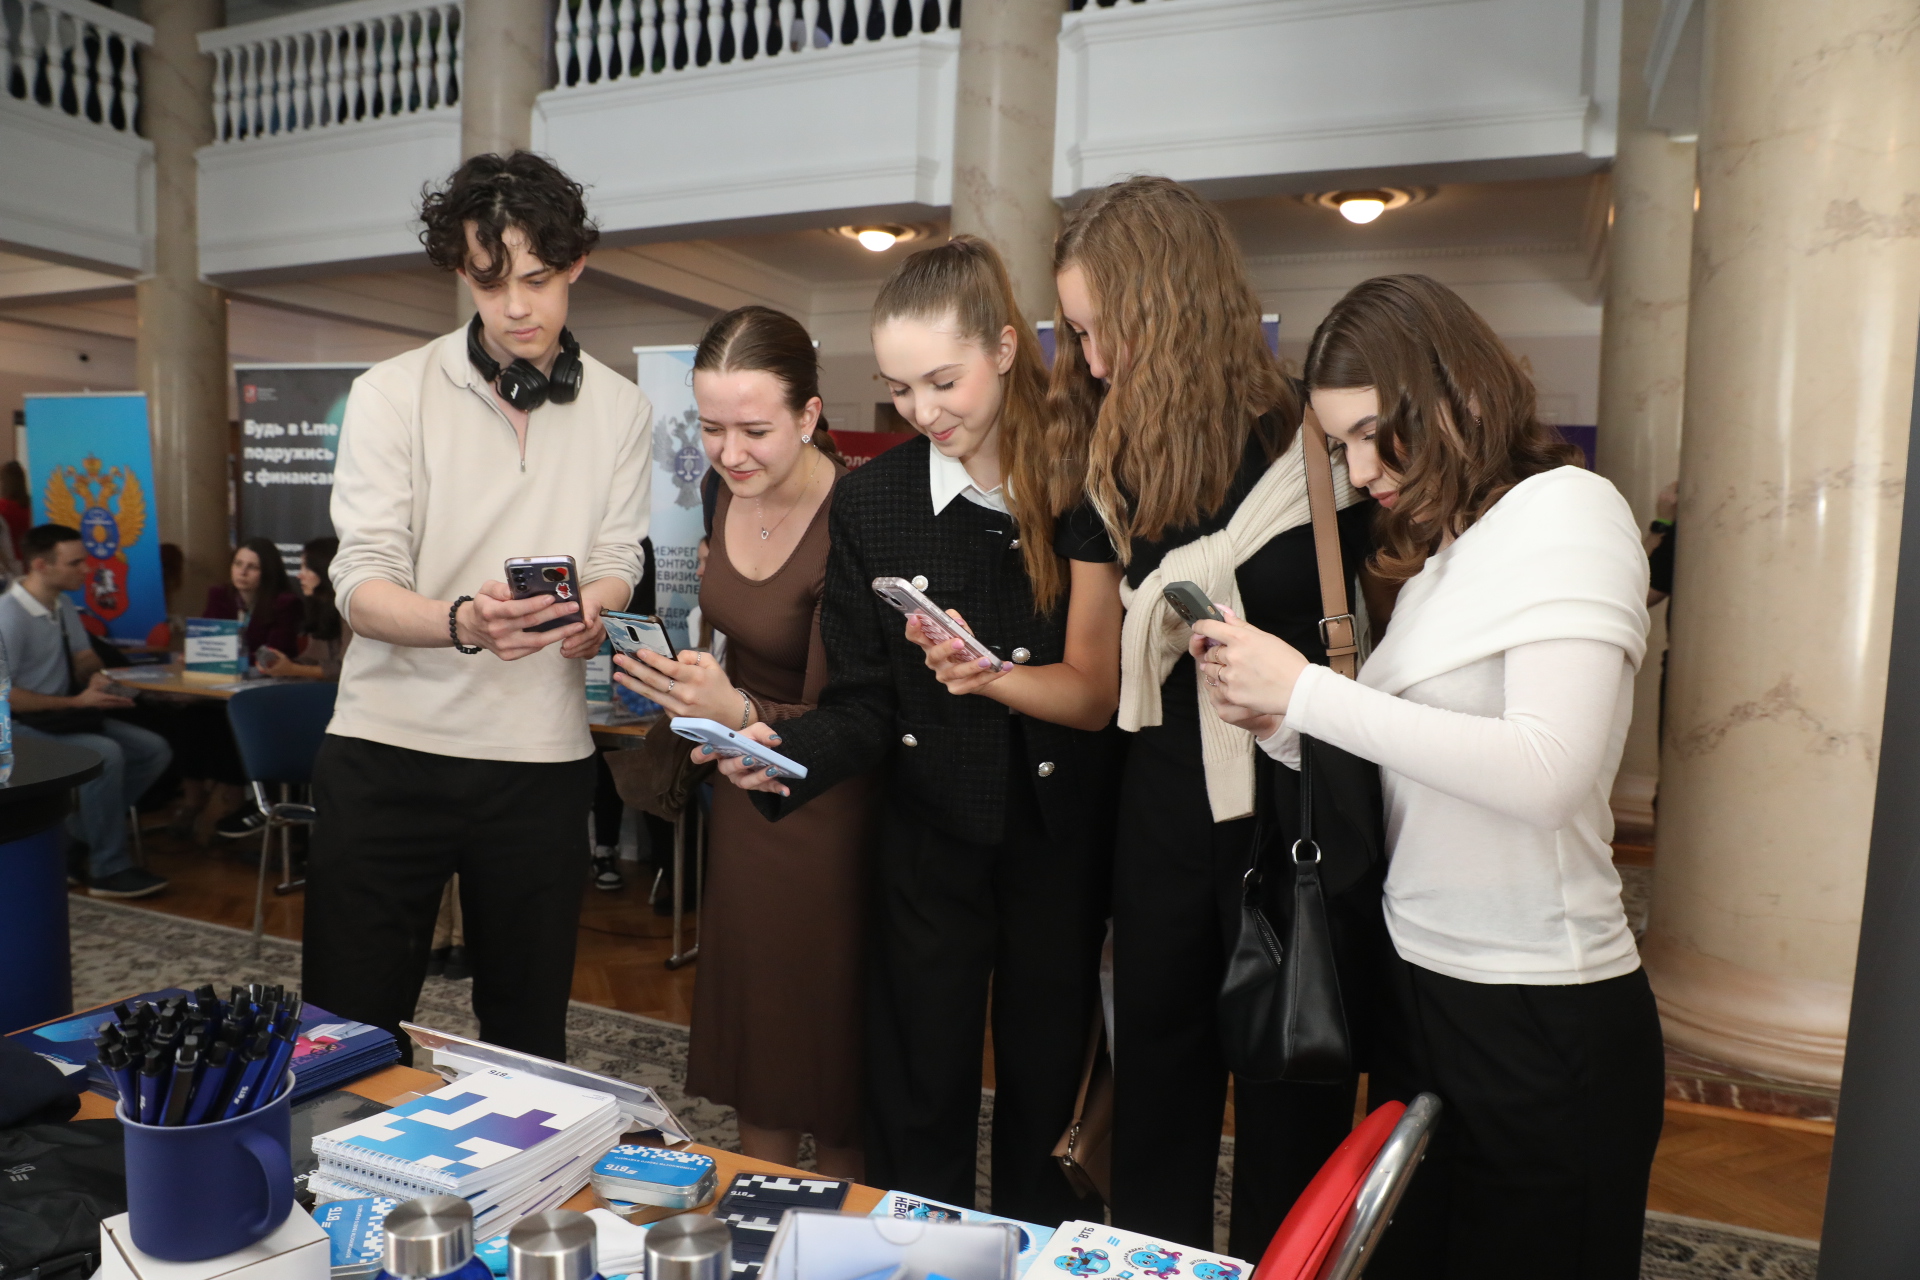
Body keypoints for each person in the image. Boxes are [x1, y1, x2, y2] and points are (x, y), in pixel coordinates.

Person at [1194, 274, 1659, 1279]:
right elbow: (1405, 771)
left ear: (1456, 389)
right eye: (1341, 447)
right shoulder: (1443, 559)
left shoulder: (1570, 511)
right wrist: (1280, 724)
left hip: (1538, 1006)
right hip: (1420, 993)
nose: (1361, 471)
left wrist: (1308, 691)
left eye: (1373, 433)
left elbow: (1546, 771)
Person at [710, 237, 1123, 1226]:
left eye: (944, 381)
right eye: (900, 389)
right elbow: (864, 702)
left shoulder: (1083, 479)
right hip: (928, 837)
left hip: (1059, 838)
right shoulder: (874, 497)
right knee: (915, 1093)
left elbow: (1096, 693)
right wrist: (780, 755)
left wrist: (994, 677)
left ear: (1007, 350)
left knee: (1044, 1093)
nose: (924, 411)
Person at [1048, 174, 1387, 1257]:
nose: (1091, 360)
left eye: (1100, 330)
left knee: (1293, 1081)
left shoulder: (1310, 440)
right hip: (1160, 800)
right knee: (1157, 1080)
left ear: (1164, 306)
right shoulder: (1116, 456)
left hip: (1291, 801)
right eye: (1077, 334)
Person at [304, 151, 651, 1061]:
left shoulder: (622, 409)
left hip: (541, 763)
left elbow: (620, 555)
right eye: (490, 283)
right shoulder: (389, 394)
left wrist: (596, 606)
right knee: (345, 1033)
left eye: (537, 279)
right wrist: (463, 622)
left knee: (527, 1041)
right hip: (387, 754)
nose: (515, 308)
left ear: (576, 264)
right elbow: (361, 582)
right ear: (462, 272)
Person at [613, 304, 871, 1178]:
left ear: (809, 414)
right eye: (711, 427)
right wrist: (687, 685)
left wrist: (732, 705)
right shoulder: (722, 492)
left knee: (832, 1051)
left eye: (755, 430)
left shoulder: (858, 513)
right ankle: (762, 1206)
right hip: (742, 791)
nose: (729, 453)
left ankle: (840, 1225)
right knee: (762, 1038)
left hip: (834, 810)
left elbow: (853, 714)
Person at [0, 524, 172, 899]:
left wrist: (96, 676)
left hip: (60, 718)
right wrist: (78, 702)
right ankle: (108, 867)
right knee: (105, 754)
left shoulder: (62, 604)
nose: (87, 569)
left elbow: (83, 658)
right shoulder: (8, 616)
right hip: (16, 727)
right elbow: (6, 698)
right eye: (75, 563)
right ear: (41, 565)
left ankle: (75, 837)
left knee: (153, 749)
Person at [255, 535, 352, 680]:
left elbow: (348, 669)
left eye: (307, 567)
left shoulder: (350, 611)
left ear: (325, 570)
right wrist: (281, 665)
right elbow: (312, 659)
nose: (299, 575)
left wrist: (293, 669)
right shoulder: (320, 607)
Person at [204, 537, 303, 658]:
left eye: (252, 567)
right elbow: (206, 640)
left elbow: (275, 654)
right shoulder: (219, 595)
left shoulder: (285, 603)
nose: (242, 572)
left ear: (268, 571)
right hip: (223, 667)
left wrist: (228, 656)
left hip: (267, 669)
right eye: (238, 564)